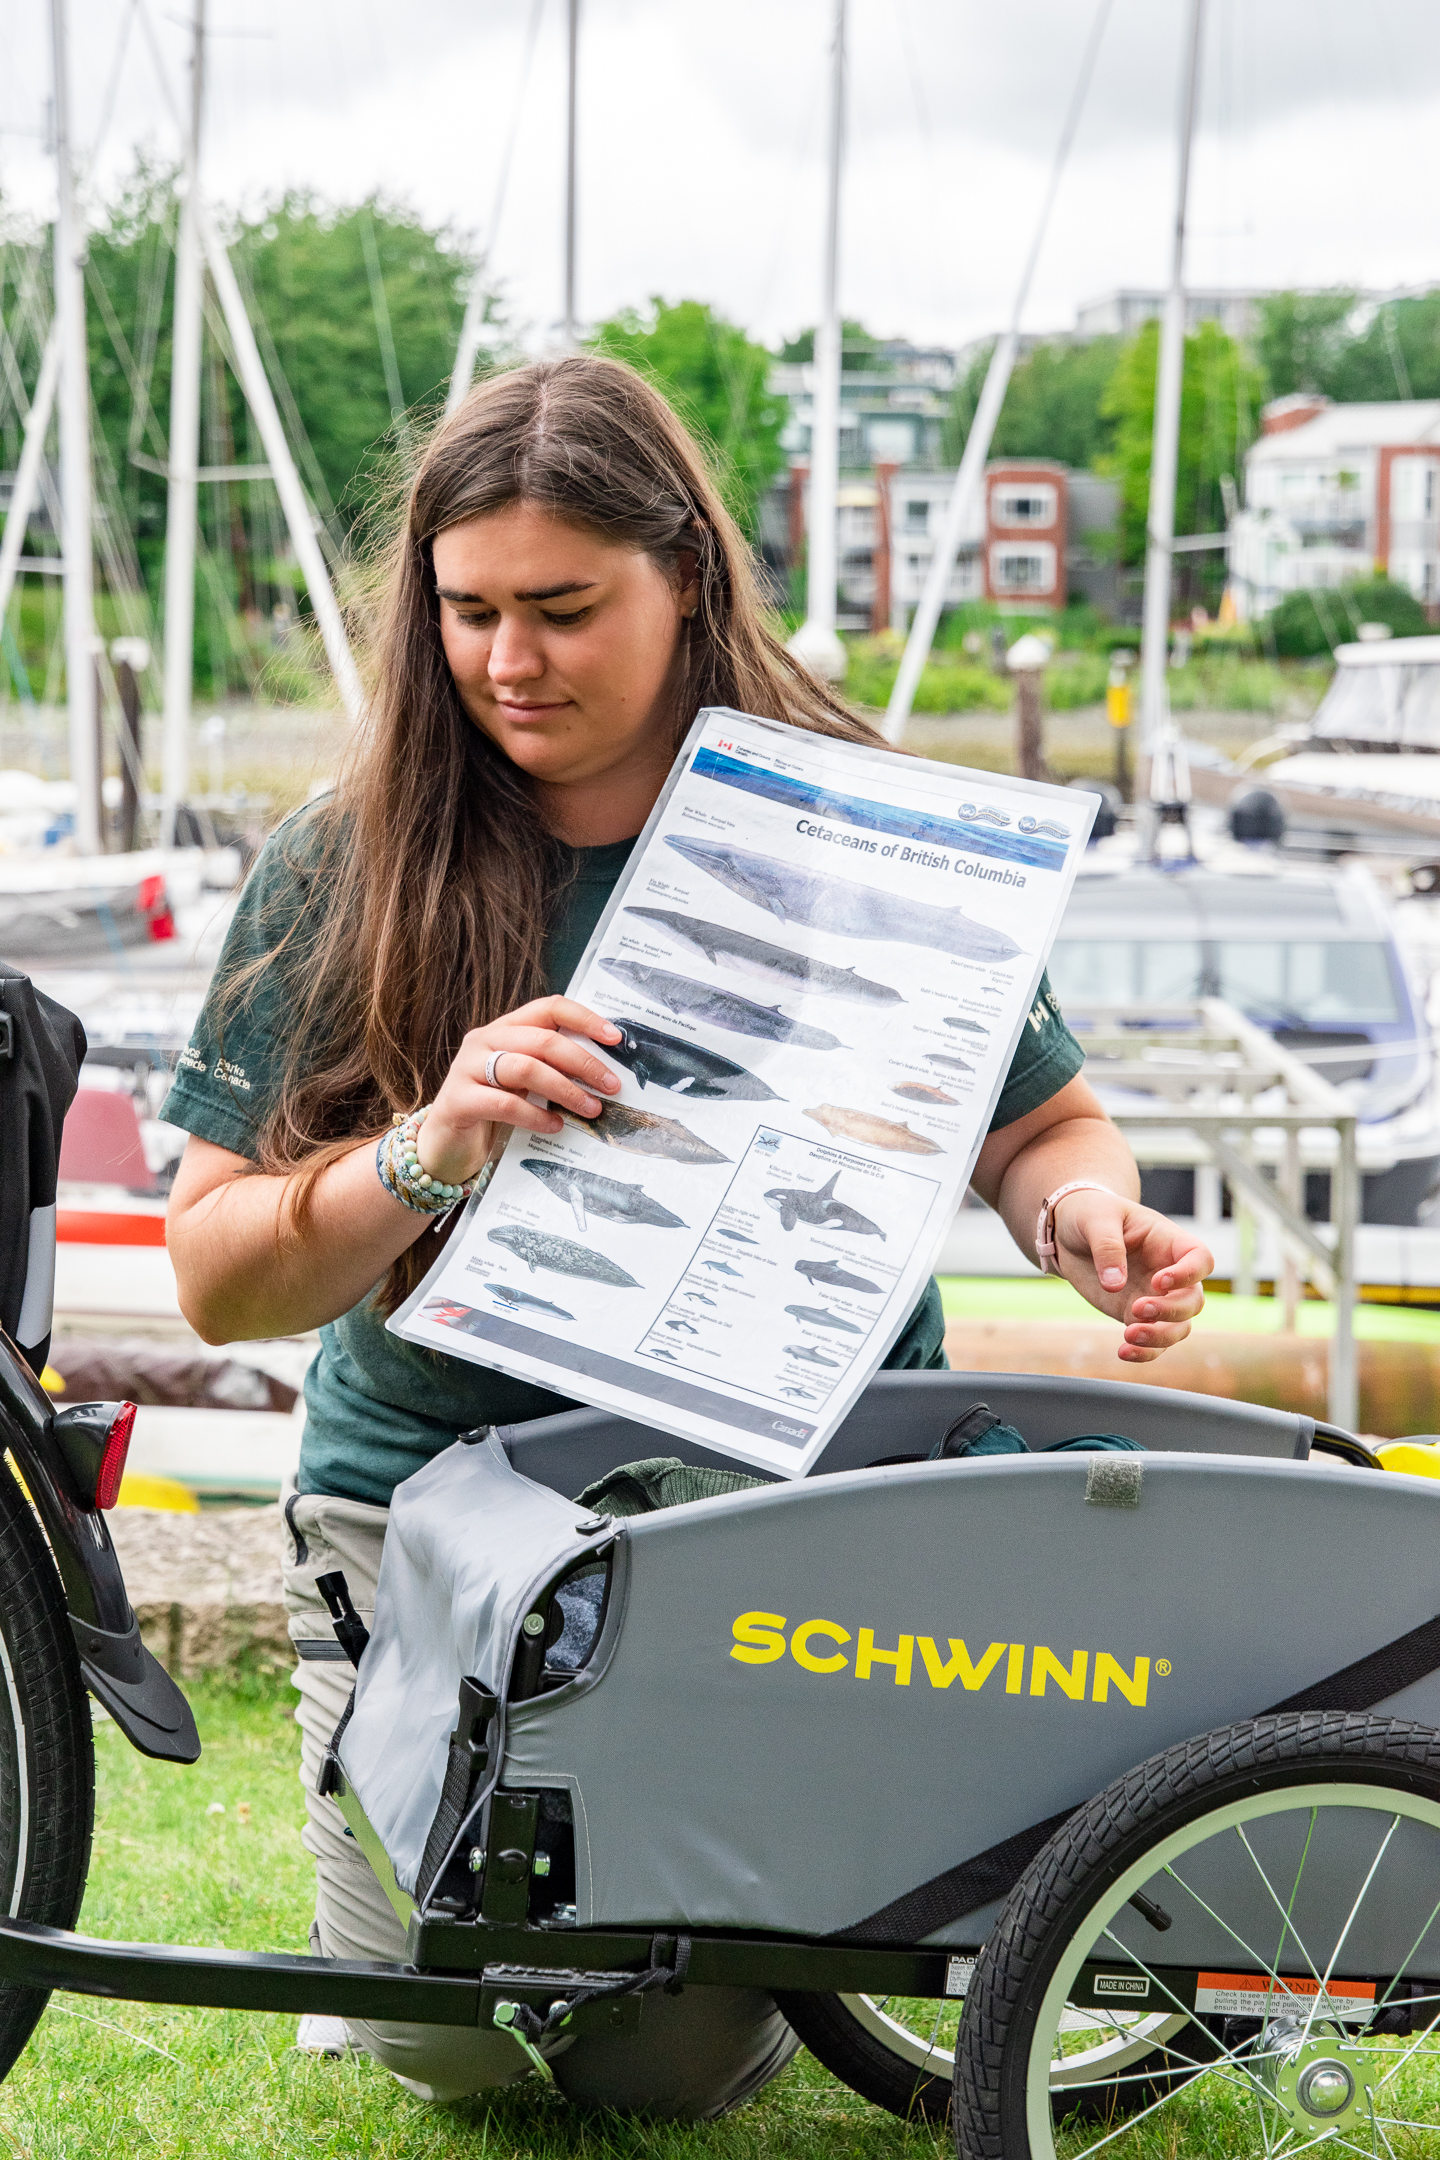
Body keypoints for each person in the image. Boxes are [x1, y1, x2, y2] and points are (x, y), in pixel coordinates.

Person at [162, 355, 1212, 2114]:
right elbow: (214, 1278)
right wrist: (433, 1147)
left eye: (564, 609)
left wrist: (1081, 1211)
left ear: (689, 582)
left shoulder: (870, 832)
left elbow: (1040, 1128)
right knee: (468, 2055)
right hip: (430, 1520)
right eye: (469, 613)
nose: (508, 664)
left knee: (659, 2068)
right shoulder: (342, 861)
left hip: (782, 1529)